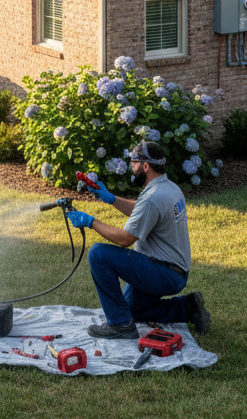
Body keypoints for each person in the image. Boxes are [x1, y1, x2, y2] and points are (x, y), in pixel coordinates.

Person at [66, 139, 210, 339]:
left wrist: (90, 222)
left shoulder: (153, 197)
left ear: (145, 166)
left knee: (98, 254)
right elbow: (144, 213)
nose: (131, 168)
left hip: (163, 272)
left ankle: (119, 326)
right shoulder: (169, 188)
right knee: (129, 312)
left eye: (133, 163)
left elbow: (125, 239)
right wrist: (112, 199)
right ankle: (186, 308)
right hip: (174, 271)